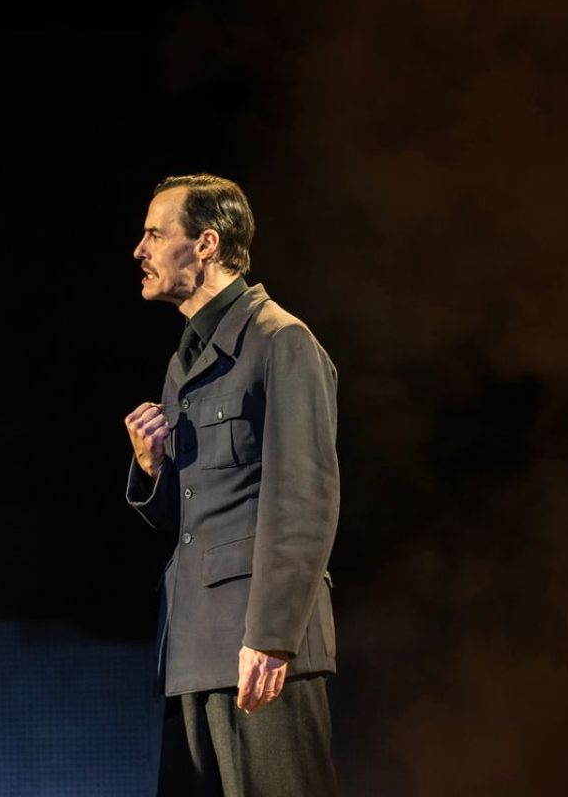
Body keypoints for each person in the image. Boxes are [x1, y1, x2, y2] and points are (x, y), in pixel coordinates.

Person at [124, 175, 339, 795]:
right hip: (194, 647)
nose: (140, 250)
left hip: (259, 647)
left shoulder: (280, 340)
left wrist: (272, 638)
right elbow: (191, 516)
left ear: (206, 244)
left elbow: (304, 500)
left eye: (155, 234)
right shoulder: (185, 360)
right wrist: (152, 468)